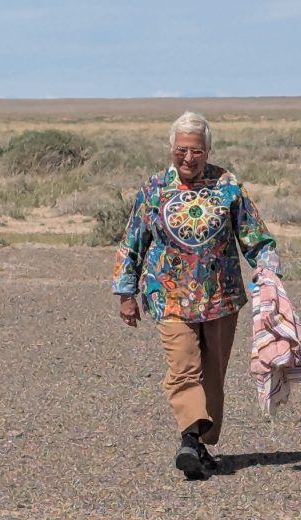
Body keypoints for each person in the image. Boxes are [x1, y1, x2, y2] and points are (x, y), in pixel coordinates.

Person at [112, 111, 282, 479]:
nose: (188, 158)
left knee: (212, 374)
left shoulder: (228, 186)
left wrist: (268, 269)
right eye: (181, 150)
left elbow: (255, 236)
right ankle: (189, 439)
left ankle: (201, 444)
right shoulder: (154, 190)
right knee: (182, 367)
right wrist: (126, 291)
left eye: (196, 151)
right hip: (168, 296)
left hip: (220, 297)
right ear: (172, 148)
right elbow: (132, 243)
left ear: (207, 150)